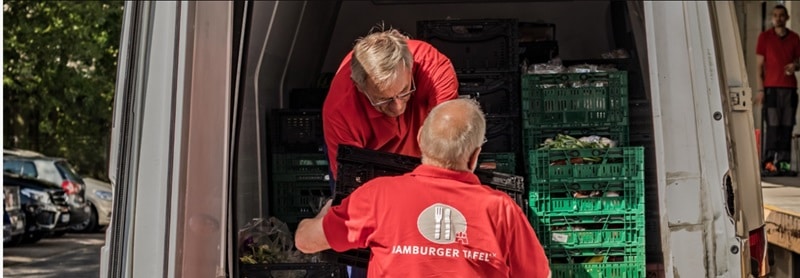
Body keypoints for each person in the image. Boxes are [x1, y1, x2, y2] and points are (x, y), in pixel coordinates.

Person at [296, 99, 551, 278]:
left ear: (420, 140)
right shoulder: (502, 209)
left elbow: (306, 242)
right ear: (475, 156)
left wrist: (325, 212)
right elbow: (538, 274)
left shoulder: (378, 196)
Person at [322, 27, 458, 181]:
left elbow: (447, 147)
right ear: (359, 87)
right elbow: (351, 183)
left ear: (411, 67)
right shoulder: (339, 110)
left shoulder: (432, 66)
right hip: (369, 163)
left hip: (425, 156)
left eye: (405, 90)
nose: (398, 107)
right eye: (383, 99)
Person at [756, 4, 800, 176]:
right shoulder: (764, 37)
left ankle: (784, 163)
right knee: (773, 126)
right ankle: (768, 163)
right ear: (772, 18)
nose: (778, 18)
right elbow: (759, 66)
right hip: (771, 89)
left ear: (787, 17)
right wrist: (760, 90)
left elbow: (799, 62)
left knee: (786, 126)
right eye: (775, 15)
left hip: (789, 88)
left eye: (781, 15)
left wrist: (795, 66)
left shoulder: (795, 38)